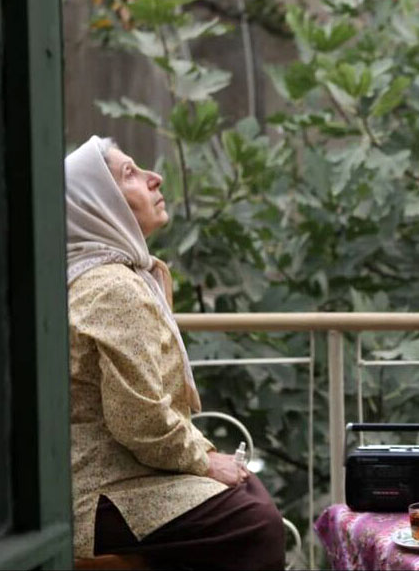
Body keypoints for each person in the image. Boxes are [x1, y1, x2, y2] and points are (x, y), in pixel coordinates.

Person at [66, 135, 285, 570]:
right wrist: (202, 460)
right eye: (130, 174)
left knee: (247, 492)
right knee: (255, 523)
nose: (155, 178)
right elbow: (140, 421)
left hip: (116, 477)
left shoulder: (101, 276)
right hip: (104, 493)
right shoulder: (111, 288)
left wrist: (206, 459)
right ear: (98, 202)